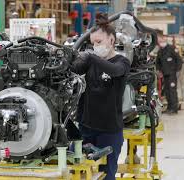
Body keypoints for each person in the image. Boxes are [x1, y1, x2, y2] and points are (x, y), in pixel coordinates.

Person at [71, 13, 130, 180]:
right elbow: (73, 69)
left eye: (99, 42)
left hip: (109, 132)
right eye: (92, 43)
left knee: (106, 175)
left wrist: (91, 56)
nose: (95, 46)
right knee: (81, 174)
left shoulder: (121, 62)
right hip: (86, 129)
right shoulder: (90, 62)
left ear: (111, 40)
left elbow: (115, 71)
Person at [156, 30, 182, 114]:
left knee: (172, 91)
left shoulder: (171, 48)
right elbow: (158, 63)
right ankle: (169, 107)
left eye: (160, 39)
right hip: (165, 75)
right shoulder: (160, 51)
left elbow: (179, 60)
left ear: (163, 38)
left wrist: (178, 71)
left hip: (172, 74)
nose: (159, 42)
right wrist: (158, 71)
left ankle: (174, 109)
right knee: (167, 92)